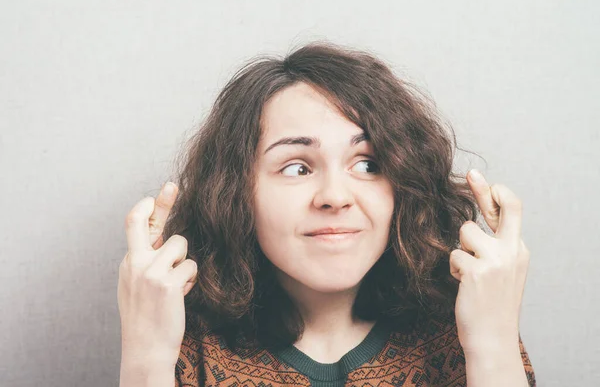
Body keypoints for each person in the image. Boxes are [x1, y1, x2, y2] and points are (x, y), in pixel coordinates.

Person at [118, 41, 536, 386]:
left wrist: (493, 342)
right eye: (297, 167)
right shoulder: (186, 348)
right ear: (235, 193)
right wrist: (146, 354)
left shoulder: (464, 335)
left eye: (368, 164)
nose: (335, 197)